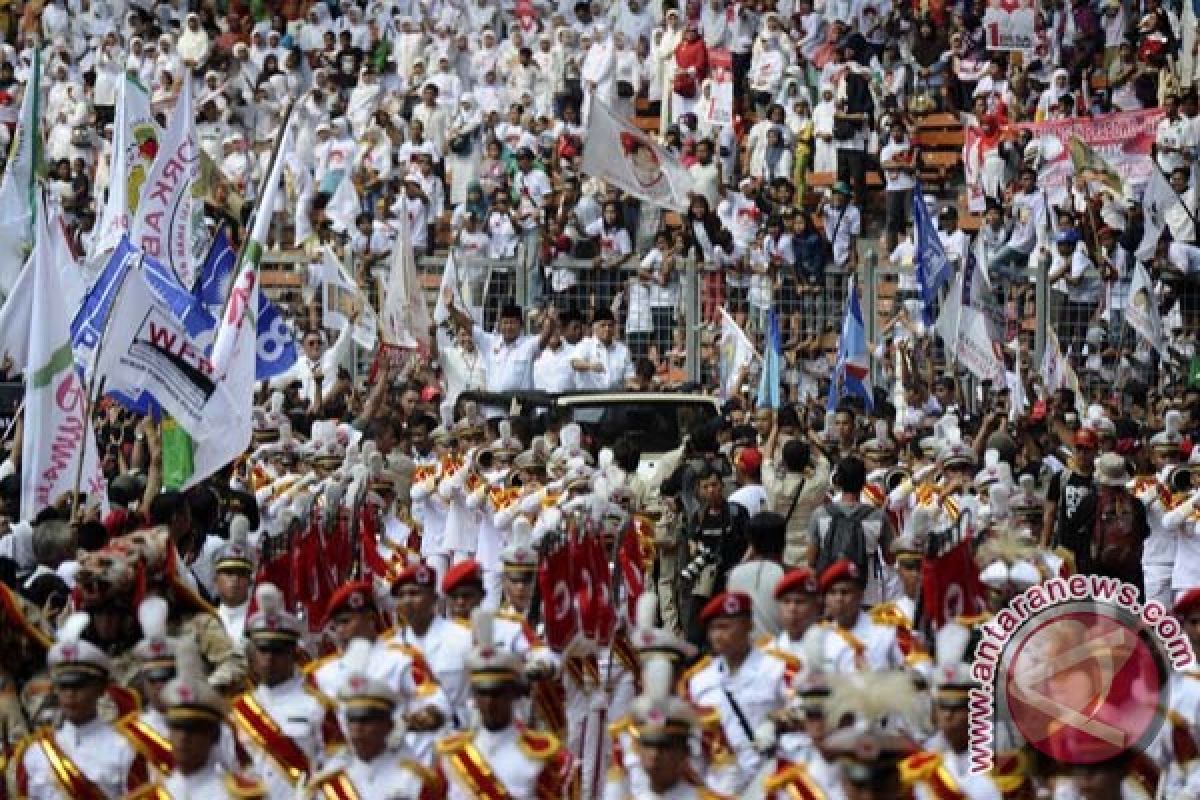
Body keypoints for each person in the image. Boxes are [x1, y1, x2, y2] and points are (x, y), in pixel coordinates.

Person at [432, 610, 575, 798]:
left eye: (497, 693)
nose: (490, 702)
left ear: (513, 694)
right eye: (483, 693)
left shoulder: (543, 758)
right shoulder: (451, 756)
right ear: (473, 697)